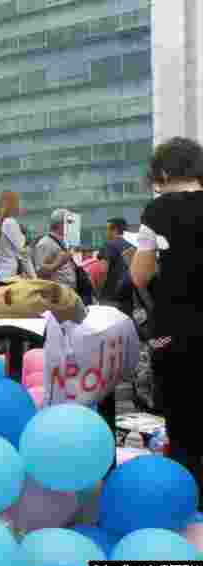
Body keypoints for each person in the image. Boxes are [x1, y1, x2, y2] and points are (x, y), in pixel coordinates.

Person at [131, 136, 203, 508]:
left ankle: (190, 511)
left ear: (161, 172)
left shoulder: (156, 212)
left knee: (183, 422)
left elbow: (140, 276)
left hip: (176, 330)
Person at [0, 190, 33, 280]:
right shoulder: (10, 223)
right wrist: (34, 277)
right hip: (11, 274)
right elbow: (24, 254)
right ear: (14, 205)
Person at [33, 209, 78, 290]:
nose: (71, 226)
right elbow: (40, 272)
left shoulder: (63, 242)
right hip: (56, 294)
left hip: (66, 292)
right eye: (69, 222)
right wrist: (59, 263)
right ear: (60, 224)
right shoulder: (45, 243)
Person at [97, 217, 135, 306]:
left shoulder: (108, 245)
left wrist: (98, 292)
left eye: (107, 229)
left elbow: (103, 271)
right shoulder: (134, 244)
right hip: (132, 296)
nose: (106, 233)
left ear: (115, 230)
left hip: (111, 297)